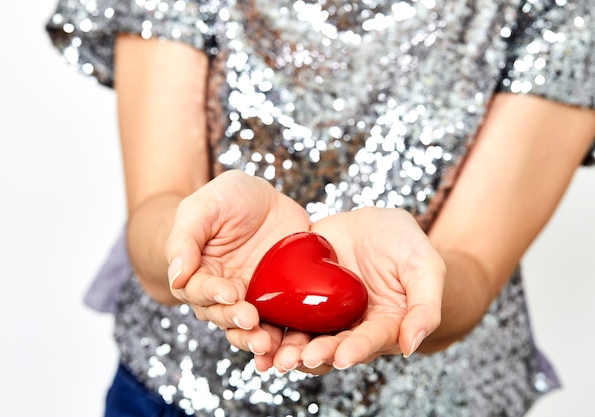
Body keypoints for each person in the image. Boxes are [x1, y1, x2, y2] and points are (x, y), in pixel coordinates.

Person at [46, 1, 595, 416]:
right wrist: (193, 244)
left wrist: (413, 285)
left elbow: (472, 268)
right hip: (168, 395)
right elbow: (156, 214)